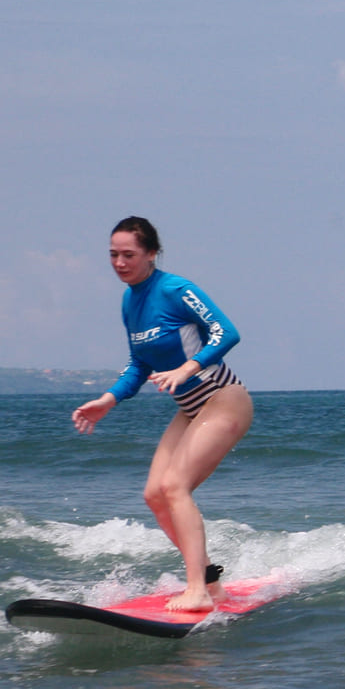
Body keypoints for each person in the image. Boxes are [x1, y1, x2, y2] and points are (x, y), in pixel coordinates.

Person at [72, 217, 253, 611]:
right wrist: (108, 399)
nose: (119, 263)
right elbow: (139, 362)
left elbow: (226, 332)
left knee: (175, 487)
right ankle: (211, 584)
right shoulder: (130, 301)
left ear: (151, 254)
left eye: (128, 254)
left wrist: (188, 368)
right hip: (190, 409)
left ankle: (197, 591)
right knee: (155, 495)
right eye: (113, 255)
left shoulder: (175, 289)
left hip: (223, 398)